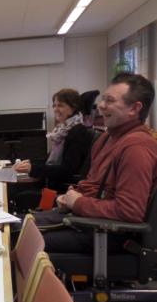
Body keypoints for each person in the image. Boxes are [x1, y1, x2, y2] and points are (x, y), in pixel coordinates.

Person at [42, 73, 157, 256]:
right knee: (16, 225)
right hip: (88, 222)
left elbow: (130, 211)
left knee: (18, 238)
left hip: (109, 235)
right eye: (103, 99)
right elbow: (94, 186)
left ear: (134, 109)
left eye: (110, 101)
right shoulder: (107, 138)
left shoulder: (136, 148)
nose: (101, 106)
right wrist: (72, 196)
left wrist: (78, 202)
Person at [13, 88, 92, 184]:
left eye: (60, 105)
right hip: (52, 181)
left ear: (73, 108)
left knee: (14, 192)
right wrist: (30, 163)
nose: (55, 109)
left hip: (60, 188)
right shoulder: (63, 130)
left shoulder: (78, 132)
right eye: (54, 106)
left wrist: (33, 169)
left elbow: (67, 170)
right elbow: (49, 160)